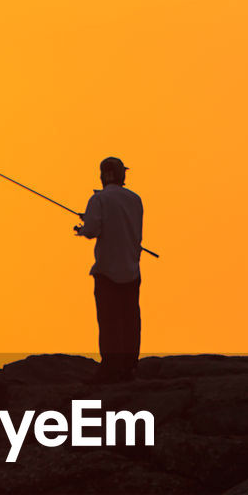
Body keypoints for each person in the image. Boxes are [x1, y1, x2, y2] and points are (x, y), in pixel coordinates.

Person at [74, 156, 143, 382]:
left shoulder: (99, 200)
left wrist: (83, 228)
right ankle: (130, 365)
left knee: (109, 319)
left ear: (103, 175)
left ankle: (112, 367)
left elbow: (93, 229)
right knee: (130, 318)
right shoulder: (135, 200)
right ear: (121, 175)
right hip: (132, 268)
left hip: (107, 270)